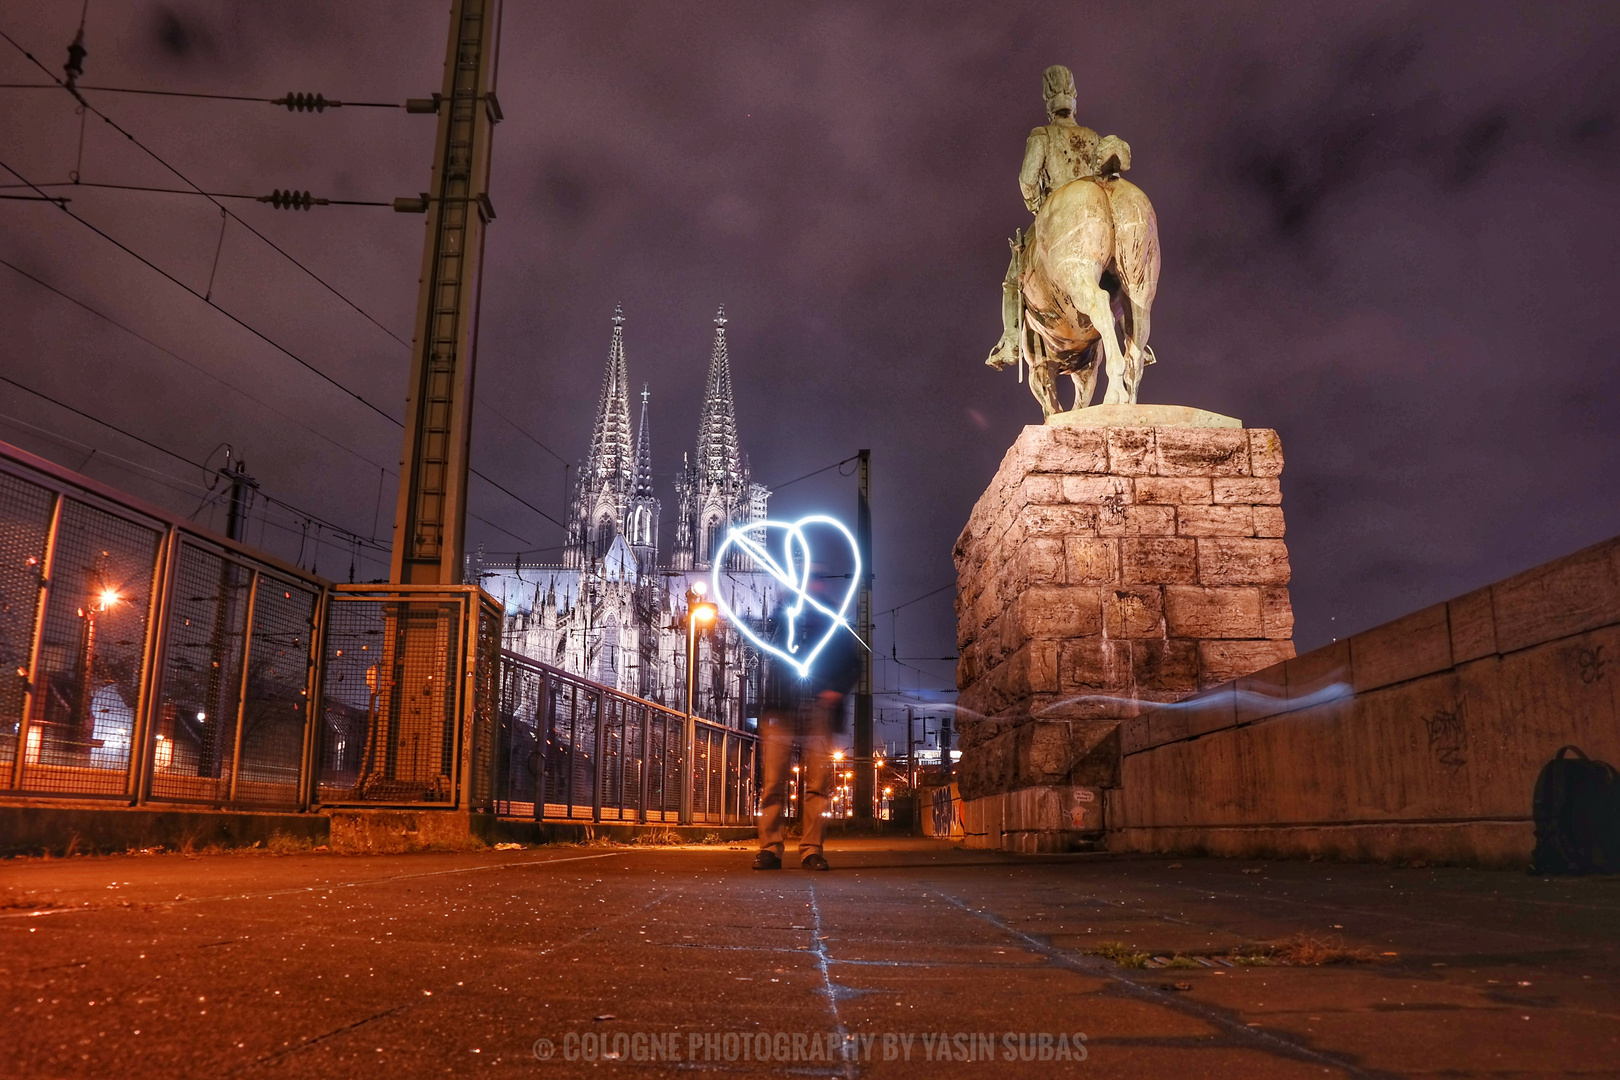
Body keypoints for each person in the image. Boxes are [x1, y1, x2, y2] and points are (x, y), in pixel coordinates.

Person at [985, 64, 1133, 372]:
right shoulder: (1093, 137)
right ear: (1075, 99)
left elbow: (1027, 179)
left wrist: (1037, 206)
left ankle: (1011, 340)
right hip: (1096, 214)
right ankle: (1137, 341)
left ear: (1046, 100)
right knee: (1123, 263)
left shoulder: (1042, 136)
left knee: (1013, 278)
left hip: (1054, 214)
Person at [753, 569, 863, 871]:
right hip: (781, 709)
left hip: (819, 709)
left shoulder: (833, 622)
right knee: (774, 782)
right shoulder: (782, 617)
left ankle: (811, 850)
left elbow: (854, 664)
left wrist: (836, 690)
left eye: (816, 582)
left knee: (817, 785)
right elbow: (761, 655)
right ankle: (770, 850)